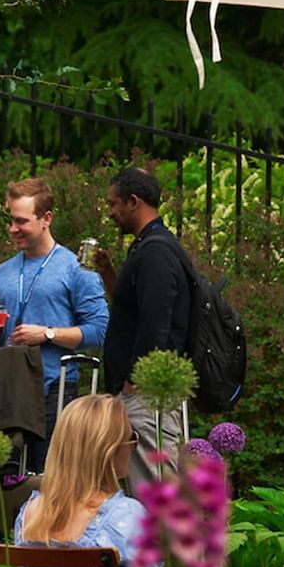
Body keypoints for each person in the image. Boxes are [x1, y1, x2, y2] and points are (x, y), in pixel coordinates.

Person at [14, 394, 186, 567]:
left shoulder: (30, 514)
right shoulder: (125, 516)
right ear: (110, 449)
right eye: (131, 438)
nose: (133, 447)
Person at [0, 178, 109, 472]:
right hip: (7, 391)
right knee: (2, 481)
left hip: (54, 390)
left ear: (46, 218)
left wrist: (47, 334)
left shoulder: (76, 269)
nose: (13, 229)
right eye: (10, 220)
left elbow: (100, 331)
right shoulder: (0, 275)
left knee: (48, 482)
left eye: (21, 221)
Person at [101, 167, 192, 489]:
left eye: (114, 204)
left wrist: (134, 384)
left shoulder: (156, 251)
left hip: (145, 394)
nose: (111, 212)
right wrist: (109, 274)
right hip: (140, 391)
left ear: (134, 201)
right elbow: (135, 310)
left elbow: (156, 323)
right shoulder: (147, 247)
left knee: (153, 491)